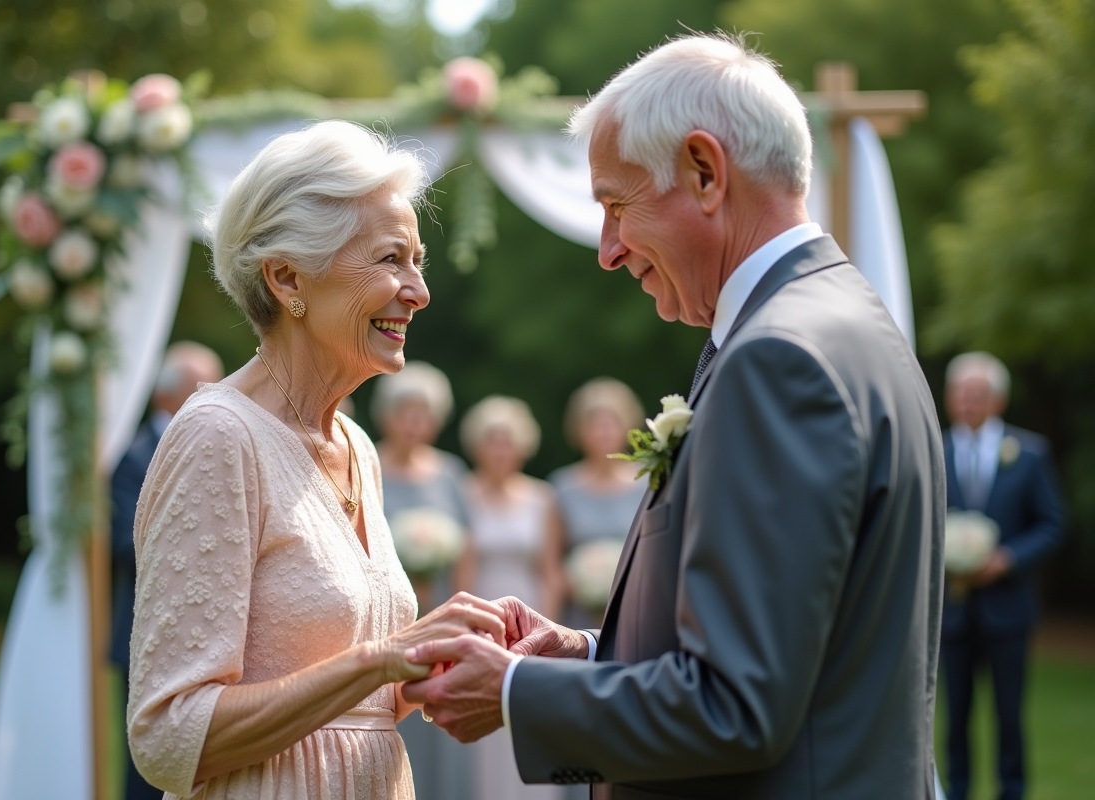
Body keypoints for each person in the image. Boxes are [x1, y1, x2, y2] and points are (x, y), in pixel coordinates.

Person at [402, 33, 946, 800]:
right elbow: (796, 651)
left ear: (704, 172)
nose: (608, 249)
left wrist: (516, 693)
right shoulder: (845, 321)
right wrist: (592, 655)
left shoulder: (779, 360)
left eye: (617, 205)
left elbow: (737, 709)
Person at [125, 121, 507, 800]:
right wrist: (377, 661)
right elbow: (167, 733)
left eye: (417, 261)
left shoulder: (358, 447)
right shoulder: (218, 436)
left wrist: (441, 652)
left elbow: (358, 701)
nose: (417, 290)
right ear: (286, 277)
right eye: (392, 259)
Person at [940, 352, 1066, 800]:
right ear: (951, 398)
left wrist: (1007, 559)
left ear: (998, 400)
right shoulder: (932, 449)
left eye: (979, 394)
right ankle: (956, 791)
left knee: (1009, 716)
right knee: (953, 716)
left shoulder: (1029, 453)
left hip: (1008, 610)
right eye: (962, 393)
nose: (970, 402)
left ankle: (1012, 791)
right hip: (950, 614)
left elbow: (1053, 523)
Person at [110, 341, 224, 800]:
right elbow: (123, 540)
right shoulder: (133, 459)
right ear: (164, 396)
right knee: (149, 766)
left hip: (216, 634)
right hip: (149, 633)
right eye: (202, 386)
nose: (215, 394)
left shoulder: (223, 446)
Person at [372, 362, 473, 800]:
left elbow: (467, 547)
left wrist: (461, 611)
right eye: (405, 412)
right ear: (386, 415)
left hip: (441, 614)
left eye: (424, 413)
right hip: (387, 618)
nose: (414, 423)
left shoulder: (451, 474)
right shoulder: (368, 463)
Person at [455, 395, 564, 800]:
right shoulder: (463, 494)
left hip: (531, 612)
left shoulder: (542, 498)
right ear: (477, 445)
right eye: (491, 440)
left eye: (507, 441)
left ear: (522, 445)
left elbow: (551, 571)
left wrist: (546, 633)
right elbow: (461, 571)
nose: (500, 450)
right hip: (483, 613)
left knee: (528, 713)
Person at [548, 378, 646, 632]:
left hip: (637, 610)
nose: (603, 433)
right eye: (595, 425)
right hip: (578, 617)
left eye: (611, 424)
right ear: (579, 431)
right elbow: (551, 563)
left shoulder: (648, 481)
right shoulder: (562, 487)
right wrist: (585, 588)